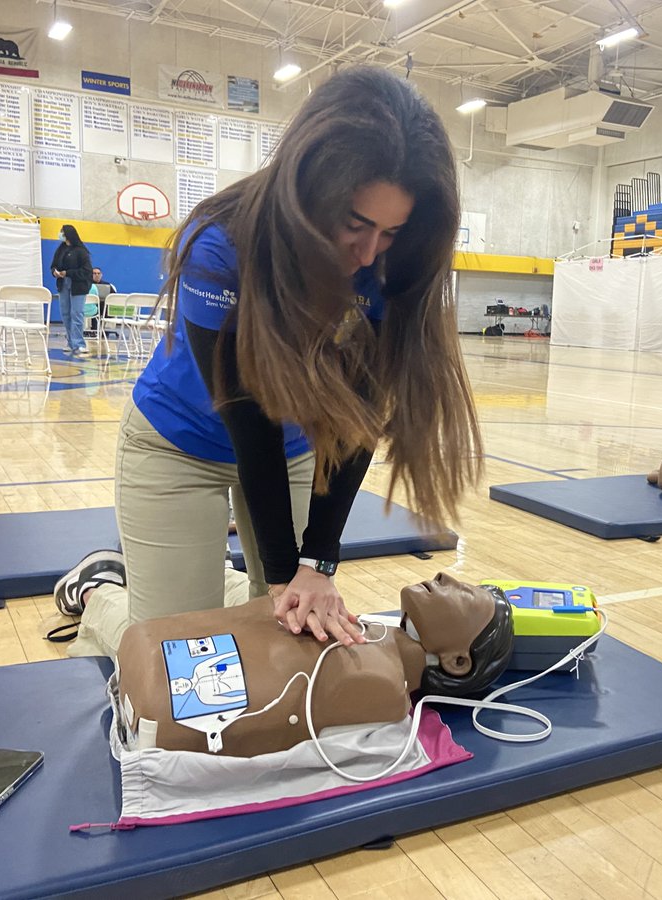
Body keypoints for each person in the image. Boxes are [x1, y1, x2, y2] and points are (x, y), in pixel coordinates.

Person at [57, 67, 482, 659]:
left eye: (390, 231)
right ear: (307, 191)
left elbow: (358, 420)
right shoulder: (219, 245)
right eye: (355, 224)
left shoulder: (388, 265)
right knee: (174, 655)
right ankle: (104, 591)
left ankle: (218, 590)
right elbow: (246, 417)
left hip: (298, 450)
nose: (367, 252)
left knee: (290, 631)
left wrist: (319, 564)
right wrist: (288, 574)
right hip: (180, 442)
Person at [114, 571, 513, 756]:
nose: (447, 575)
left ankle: (94, 594)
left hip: (157, 693)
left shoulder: (380, 684)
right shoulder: (366, 634)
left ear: (458, 661)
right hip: (153, 663)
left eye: (466, 595)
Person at [50, 224, 93, 358]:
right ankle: (70, 342)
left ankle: (79, 343)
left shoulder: (81, 251)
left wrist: (68, 273)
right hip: (63, 285)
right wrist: (55, 272)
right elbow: (54, 265)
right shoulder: (61, 249)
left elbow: (86, 271)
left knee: (77, 313)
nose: (60, 234)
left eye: (62, 232)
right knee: (65, 314)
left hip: (78, 286)